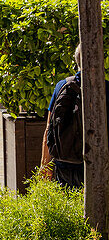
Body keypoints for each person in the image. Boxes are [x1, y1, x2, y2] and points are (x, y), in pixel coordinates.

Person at [41, 43, 109, 188]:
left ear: (76, 61)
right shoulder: (105, 88)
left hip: (63, 164)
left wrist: (45, 166)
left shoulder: (62, 86)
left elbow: (49, 128)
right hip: (95, 166)